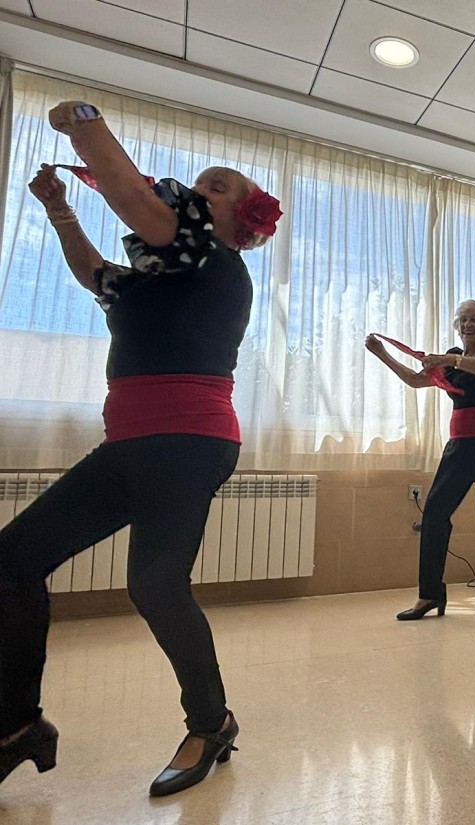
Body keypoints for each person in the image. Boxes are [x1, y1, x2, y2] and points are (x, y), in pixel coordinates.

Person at [0, 99, 281, 796]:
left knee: (155, 582)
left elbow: (132, 198)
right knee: (11, 562)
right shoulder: (160, 272)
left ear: (239, 222)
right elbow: (95, 275)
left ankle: (211, 722)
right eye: (201, 178)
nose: (199, 186)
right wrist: (61, 211)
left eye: (218, 185)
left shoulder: (216, 260)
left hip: (190, 439)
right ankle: (16, 725)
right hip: (128, 442)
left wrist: (86, 123)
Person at [366, 300, 475, 620]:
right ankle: (430, 595)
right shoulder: (452, 361)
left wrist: (450, 359)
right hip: (460, 447)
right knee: (434, 513)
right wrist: (382, 354)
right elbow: (415, 379)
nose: (469, 324)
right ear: (457, 327)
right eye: (463, 320)